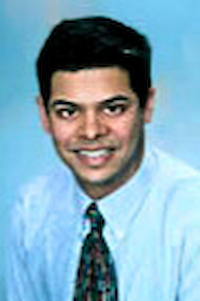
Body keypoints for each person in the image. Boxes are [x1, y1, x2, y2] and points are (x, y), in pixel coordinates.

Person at [7, 16, 200, 301]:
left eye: (112, 108)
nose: (91, 131)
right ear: (44, 115)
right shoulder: (32, 208)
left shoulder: (192, 216)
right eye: (68, 112)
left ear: (147, 105)